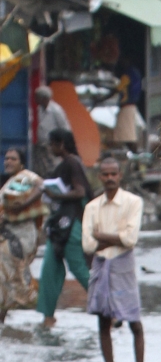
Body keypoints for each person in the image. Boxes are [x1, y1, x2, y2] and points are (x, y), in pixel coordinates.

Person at [81, 156, 144, 362]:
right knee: (102, 320)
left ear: (120, 175)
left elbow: (131, 239)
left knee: (134, 321)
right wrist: (116, 239)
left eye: (113, 174)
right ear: (100, 177)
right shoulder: (92, 207)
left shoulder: (133, 202)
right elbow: (87, 245)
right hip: (101, 265)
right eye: (105, 174)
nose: (110, 178)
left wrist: (101, 236)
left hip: (123, 264)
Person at [37, 128, 90, 328]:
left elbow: (80, 192)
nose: (50, 148)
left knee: (79, 268)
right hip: (59, 225)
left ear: (61, 144)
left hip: (72, 224)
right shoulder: (65, 164)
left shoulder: (72, 163)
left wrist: (56, 195)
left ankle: (109, 310)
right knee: (49, 269)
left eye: (52, 144)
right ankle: (47, 317)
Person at [0, 147, 46, 321]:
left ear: (22, 163)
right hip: (8, 235)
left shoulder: (26, 176)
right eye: (6, 158)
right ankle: (3, 319)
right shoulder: (11, 182)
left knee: (9, 277)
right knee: (5, 279)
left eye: (13, 159)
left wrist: (23, 204)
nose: (8, 162)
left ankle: (31, 296)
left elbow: (42, 185)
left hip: (19, 237)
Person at [33, 85, 69, 176]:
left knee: (53, 168)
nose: (35, 99)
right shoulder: (39, 109)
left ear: (44, 98)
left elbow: (65, 128)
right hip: (42, 144)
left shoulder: (56, 110)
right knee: (42, 169)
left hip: (52, 145)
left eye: (37, 97)